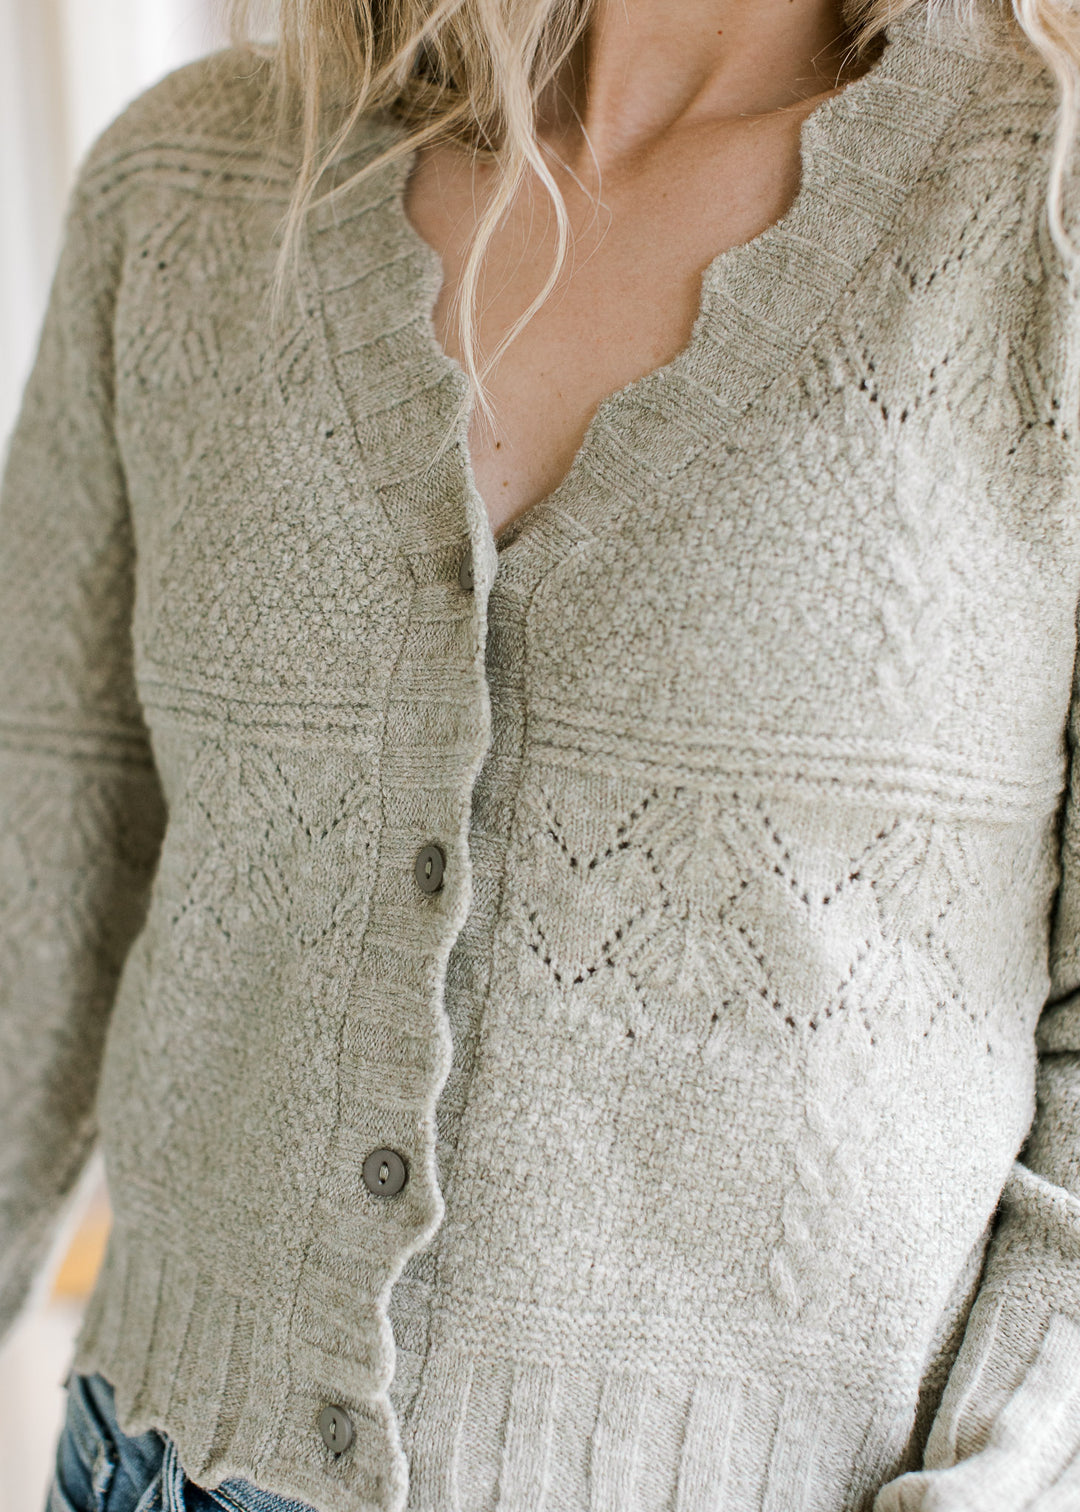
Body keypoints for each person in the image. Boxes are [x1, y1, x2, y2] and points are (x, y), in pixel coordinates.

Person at [2, 0, 1080, 1507]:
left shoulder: (1042, 208)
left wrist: (1009, 1467)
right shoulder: (188, 188)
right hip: (166, 1460)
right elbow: (34, 879)